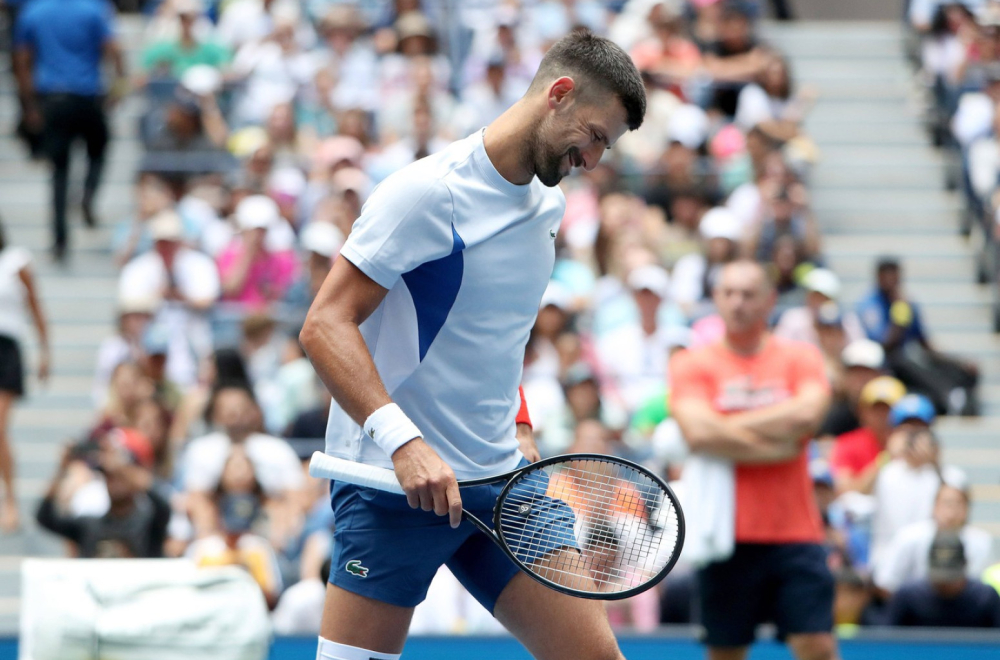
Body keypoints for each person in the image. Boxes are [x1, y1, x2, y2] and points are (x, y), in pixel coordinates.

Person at [298, 30, 646, 660]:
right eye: (595, 135)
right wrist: (403, 443)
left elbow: (497, 334)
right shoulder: (428, 193)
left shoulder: (547, 208)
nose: (593, 158)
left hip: (502, 488)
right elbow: (324, 324)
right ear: (558, 94)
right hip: (395, 489)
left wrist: (519, 421)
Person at [670, 260, 838, 660]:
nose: (737, 303)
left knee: (817, 645)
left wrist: (724, 427)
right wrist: (774, 446)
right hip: (724, 537)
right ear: (715, 299)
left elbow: (807, 414)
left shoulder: (801, 357)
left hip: (796, 532)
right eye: (728, 293)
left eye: (748, 294)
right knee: (725, 651)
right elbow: (697, 432)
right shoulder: (692, 363)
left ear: (769, 300)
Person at [12, 0, 127, 261]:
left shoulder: (34, 10)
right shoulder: (94, 9)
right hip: (87, 97)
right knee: (98, 151)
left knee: (59, 174)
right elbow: (114, 50)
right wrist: (119, 88)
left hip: (51, 100)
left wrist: (29, 104)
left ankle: (60, 240)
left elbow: (22, 60)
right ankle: (88, 195)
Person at [855, 257, 979, 415]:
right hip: (885, 366)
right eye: (887, 276)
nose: (892, 281)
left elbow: (925, 344)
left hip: (911, 361)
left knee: (964, 370)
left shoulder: (906, 304)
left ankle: (958, 397)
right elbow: (884, 346)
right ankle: (948, 395)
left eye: (895, 276)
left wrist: (958, 362)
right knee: (903, 359)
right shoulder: (869, 306)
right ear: (878, 276)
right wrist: (899, 318)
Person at [36, 430, 171, 558]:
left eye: (120, 477)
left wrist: (121, 468)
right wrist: (62, 468)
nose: (114, 481)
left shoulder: (150, 524)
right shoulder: (89, 526)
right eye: (109, 476)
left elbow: (165, 504)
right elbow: (45, 517)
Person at [0, 218, 50, 531]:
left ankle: (10, 499)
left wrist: (45, 351)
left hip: (6, 348)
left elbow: (35, 307)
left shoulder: (16, 260)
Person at [875, 484, 993, 594]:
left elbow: (982, 586)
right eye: (947, 503)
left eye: (958, 504)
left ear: (967, 509)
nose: (952, 511)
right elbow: (886, 581)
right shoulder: (909, 537)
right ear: (934, 506)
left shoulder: (982, 542)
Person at [886, 531, 1000, 628]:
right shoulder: (907, 597)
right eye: (939, 577)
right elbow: (888, 642)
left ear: (965, 565)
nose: (945, 585)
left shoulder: (986, 598)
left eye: (951, 578)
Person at [829, 376, 906, 496]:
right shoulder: (848, 443)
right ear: (862, 411)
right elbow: (845, 491)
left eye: (888, 409)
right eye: (876, 409)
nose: (882, 416)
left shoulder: (914, 443)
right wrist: (885, 459)